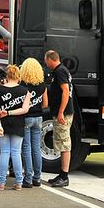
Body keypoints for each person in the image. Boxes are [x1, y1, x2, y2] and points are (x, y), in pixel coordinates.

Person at [0, 65, 30, 190]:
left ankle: (2, 183)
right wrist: (11, 112)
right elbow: (25, 110)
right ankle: (19, 182)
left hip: (3, 123)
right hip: (18, 123)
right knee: (16, 152)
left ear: (7, 77)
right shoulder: (25, 91)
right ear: (18, 77)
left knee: (4, 152)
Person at [44, 50, 74, 188]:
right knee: (62, 143)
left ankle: (65, 175)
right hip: (62, 112)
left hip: (64, 113)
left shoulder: (60, 71)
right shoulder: (62, 70)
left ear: (50, 60)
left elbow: (66, 91)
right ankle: (62, 173)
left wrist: (61, 111)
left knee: (64, 143)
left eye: (46, 61)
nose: (46, 64)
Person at [20, 57, 48, 188]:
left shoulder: (22, 85)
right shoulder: (42, 85)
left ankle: (28, 178)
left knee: (26, 148)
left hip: (26, 118)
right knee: (36, 148)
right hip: (39, 118)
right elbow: (46, 103)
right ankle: (37, 178)